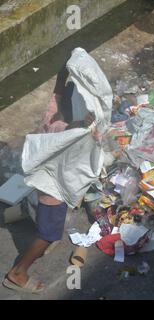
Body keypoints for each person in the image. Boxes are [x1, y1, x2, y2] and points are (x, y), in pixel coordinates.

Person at [3, 65, 96, 294]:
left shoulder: (50, 117)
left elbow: (57, 93)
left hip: (42, 182)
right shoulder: (67, 132)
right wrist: (89, 122)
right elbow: (82, 132)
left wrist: (63, 75)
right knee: (49, 234)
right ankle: (18, 273)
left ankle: (36, 228)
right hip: (53, 193)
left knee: (45, 219)